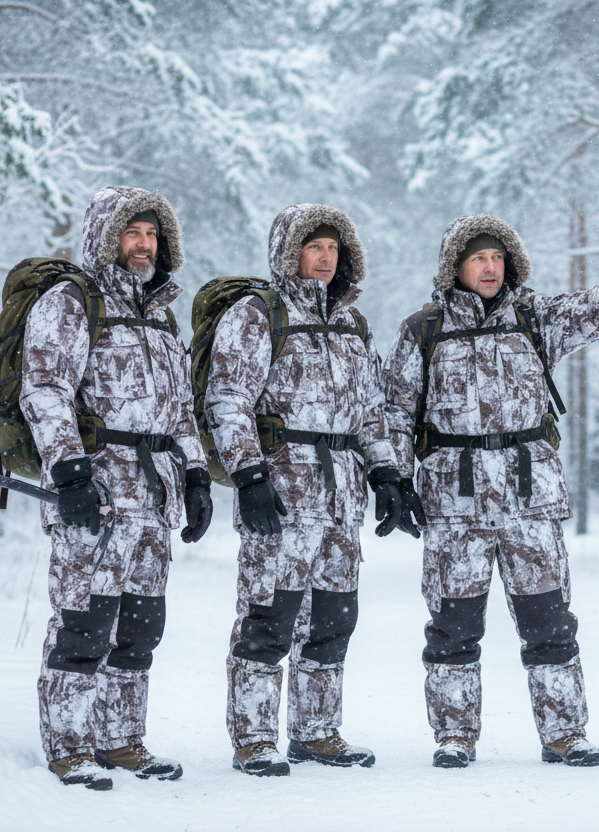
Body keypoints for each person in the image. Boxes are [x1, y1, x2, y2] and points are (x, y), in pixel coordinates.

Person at [383, 215, 599, 768]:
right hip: (454, 500)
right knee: (453, 627)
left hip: (530, 498)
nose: (490, 268)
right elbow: (396, 409)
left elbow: (589, 310)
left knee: (549, 623)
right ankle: (455, 735)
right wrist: (395, 476)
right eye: (478, 259)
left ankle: (565, 734)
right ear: (456, 268)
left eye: (497, 258)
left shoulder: (534, 319)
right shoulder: (424, 328)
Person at [21, 186, 214, 789]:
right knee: (84, 620)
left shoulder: (160, 311)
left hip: (154, 497)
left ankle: (123, 740)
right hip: (97, 493)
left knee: (138, 627)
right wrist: (69, 470)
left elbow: (180, 407)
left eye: (153, 235)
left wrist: (197, 473)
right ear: (109, 236)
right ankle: (69, 744)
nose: (144, 245)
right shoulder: (72, 301)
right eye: (134, 233)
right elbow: (44, 390)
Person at [205, 204, 406, 777]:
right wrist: (249, 477)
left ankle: (317, 733)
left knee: (332, 621)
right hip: (282, 493)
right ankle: (254, 738)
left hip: (343, 498)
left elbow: (371, 410)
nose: (325, 258)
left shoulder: (352, 323)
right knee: (270, 618)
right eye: (313, 247)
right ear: (289, 253)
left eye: (333, 249)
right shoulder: (256, 315)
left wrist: (386, 473)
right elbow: (229, 400)